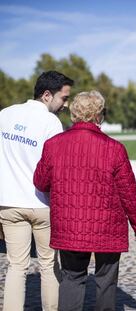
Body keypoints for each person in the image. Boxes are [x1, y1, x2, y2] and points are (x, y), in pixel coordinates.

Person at [33, 90, 136, 311]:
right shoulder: (114, 148)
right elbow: (129, 193)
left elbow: (40, 182)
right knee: (106, 280)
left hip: (69, 224)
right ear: (99, 115)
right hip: (107, 226)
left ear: (74, 114)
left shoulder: (54, 145)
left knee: (71, 278)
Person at [0, 70, 73, 311]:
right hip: (42, 203)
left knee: (16, 266)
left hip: (9, 203)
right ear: (46, 95)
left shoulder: (5, 115)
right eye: (63, 98)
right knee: (48, 265)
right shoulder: (50, 122)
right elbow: (56, 167)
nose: (65, 104)